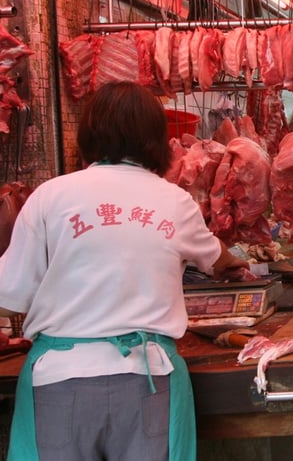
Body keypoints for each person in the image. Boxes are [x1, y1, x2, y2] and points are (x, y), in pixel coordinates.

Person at [0, 81, 251, 460]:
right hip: (146, 381)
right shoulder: (173, 200)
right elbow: (217, 259)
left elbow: (10, 294)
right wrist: (235, 267)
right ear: (157, 139)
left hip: (58, 380)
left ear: (88, 134)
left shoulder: (50, 197)